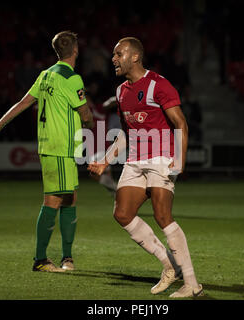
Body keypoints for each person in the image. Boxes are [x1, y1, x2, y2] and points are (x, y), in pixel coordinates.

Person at [87, 37, 203, 298]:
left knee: (163, 216)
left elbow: (181, 123)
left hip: (160, 158)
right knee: (122, 213)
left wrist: (180, 159)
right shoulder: (120, 91)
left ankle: (192, 284)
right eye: (114, 54)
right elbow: (126, 133)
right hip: (135, 160)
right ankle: (170, 266)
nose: (113, 59)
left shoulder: (158, 85)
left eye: (118, 54)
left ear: (135, 56)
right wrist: (106, 160)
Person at [0, 31, 94, 272]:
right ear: (75, 51)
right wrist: (92, 123)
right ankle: (41, 259)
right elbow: (86, 115)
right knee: (54, 200)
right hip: (62, 147)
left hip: (49, 146)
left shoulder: (45, 75)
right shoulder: (71, 78)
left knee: (69, 197)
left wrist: (0, 124)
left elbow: (23, 102)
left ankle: (67, 257)